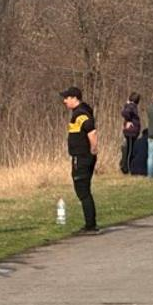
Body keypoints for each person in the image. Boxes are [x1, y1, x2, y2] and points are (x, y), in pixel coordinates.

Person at [61, 87, 99, 233]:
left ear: (74, 98)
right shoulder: (80, 112)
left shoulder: (80, 114)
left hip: (82, 157)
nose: (65, 101)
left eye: (67, 98)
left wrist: (93, 149)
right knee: (84, 190)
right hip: (82, 156)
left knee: (82, 191)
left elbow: (92, 132)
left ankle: (90, 225)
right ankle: (90, 224)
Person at [121, 92, 142, 174]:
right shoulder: (131, 106)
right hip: (131, 132)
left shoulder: (131, 106)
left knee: (130, 149)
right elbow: (125, 113)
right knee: (130, 151)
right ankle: (127, 168)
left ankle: (127, 167)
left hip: (132, 131)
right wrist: (129, 120)